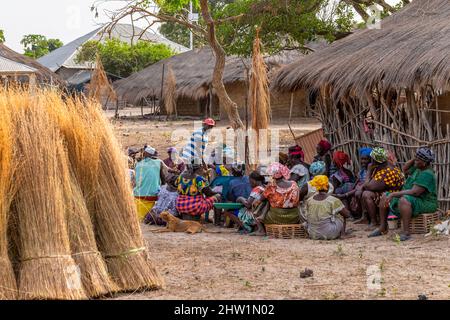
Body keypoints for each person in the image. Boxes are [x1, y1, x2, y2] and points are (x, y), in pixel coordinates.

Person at [369, 147, 438, 241]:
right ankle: (383, 227)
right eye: (416, 159)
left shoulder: (427, 174)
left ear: (424, 162)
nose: (415, 162)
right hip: (414, 198)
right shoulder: (418, 168)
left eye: (418, 160)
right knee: (385, 195)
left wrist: (393, 194)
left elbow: (415, 192)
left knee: (404, 200)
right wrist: (416, 158)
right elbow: (405, 169)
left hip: (426, 202)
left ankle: (406, 232)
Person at [360, 147, 404, 230]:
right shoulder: (386, 166)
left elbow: (368, 186)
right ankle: (368, 219)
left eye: (371, 159)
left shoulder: (387, 171)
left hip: (392, 196)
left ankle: (374, 222)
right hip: (390, 192)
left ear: (375, 161)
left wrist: (369, 171)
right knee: (365, 192)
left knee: (367, 194)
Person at [304, 175, 351, 240]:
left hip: (313, 233)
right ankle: (343, 234)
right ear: (328, 187)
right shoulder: (333, 200)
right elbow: (347, 215)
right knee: (341, 215)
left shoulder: (309, 200)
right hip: (329, 234)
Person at [254, 162, 300, 227]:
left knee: (263, 201)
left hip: (276, 217)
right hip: (294, 217)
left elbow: (261, 199)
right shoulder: (294, 184)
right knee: (270, 198)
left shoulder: (271, 186)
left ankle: (260, 229)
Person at [337, 147, 372, 220]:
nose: (363, 161)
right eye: (362, 159)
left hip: (367, 188)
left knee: (356, 192)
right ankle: (351, 215)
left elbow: (366, 183)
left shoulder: (371, 170)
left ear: (370, 160)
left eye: (365, 159)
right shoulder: (362, 171)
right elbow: (357, 181)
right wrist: (352, 188)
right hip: (360, 188)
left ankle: (363, 216)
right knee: (348, 189)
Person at [134, 146, 166, 221]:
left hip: (138, 195)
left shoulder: (138, 164)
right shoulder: (159, 162)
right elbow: (163, 179)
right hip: (153, 196)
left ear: (144, 154)